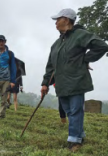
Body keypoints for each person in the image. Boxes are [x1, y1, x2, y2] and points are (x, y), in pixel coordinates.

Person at [40, 8, 108, 152]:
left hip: (77, 80)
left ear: (66, 19)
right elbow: (50, 66)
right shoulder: (56, 45)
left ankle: (74, 140)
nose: (56, 23)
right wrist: (45, 83)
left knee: (76, 111)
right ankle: (80, 134)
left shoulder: (80, 35)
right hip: (62, 83)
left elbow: (102, 46)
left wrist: (85, 59)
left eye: (58, 19)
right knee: (69, 111)